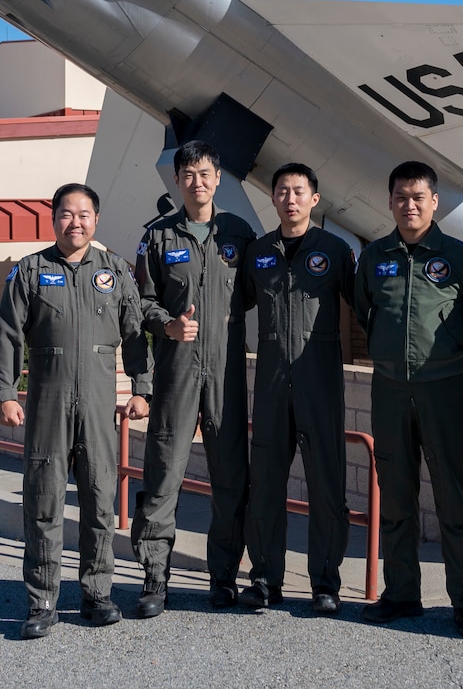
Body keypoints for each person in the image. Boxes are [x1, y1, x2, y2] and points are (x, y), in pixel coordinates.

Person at [0, 182, 156, 639]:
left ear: (96, 220)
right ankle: (42, 601)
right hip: (48, 403)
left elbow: (136, 334)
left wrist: (142, 388)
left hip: (100, 404)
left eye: (84, 214)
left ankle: (96, 595)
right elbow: (8, 335)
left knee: (100, 500)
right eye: (67, 214)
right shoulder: (29, 271)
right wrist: (6, 392)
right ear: (54, 219)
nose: (76, 222)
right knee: (44, 502)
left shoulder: (116, 272)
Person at [351, 159, 463, 637]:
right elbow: (364, 311)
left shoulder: (458, 256)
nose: (409, 205)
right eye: (400, 197)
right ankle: (402, 593)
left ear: (434, 202)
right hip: (390, 390)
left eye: (418, 197)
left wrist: (457, 365)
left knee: (454, 496)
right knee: (395, 495)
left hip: (444, 390)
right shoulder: (375, 257)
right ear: (389, 201)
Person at [129, 140, 258, 614]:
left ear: (218, 178)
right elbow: (139, 302)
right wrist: (168, 324)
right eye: (188, 174)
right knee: (164, 473)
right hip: (176, 371)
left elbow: (248, 295)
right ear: (178, 180)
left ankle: (223, 577)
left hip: (225, 369)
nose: (197, 182)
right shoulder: (158, 237)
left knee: (230, 477)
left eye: (205, 173)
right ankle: (154, 578)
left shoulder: (240, 234)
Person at [236, 162, 356, 614]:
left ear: (314, 199)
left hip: (319, 380)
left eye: (299, 191)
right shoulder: (258, 251)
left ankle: (325, 583)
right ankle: (265, 579)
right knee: (265, 484)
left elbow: (365, 306)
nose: (290, 198)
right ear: (273, 198)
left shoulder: (335, 250)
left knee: (327, 485)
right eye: (282, 191)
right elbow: (235, 303)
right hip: (270, 382)